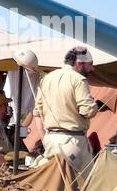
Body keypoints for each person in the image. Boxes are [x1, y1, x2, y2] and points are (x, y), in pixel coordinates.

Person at [30, 47, 102, 176]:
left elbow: (37, 113)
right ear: (79, 64)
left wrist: (45, 139)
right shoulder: (79, 80)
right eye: (90, 64)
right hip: (73, 141)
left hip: (51, 141)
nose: (92, 69)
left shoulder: (47, 79)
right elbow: (88, 111)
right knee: (84, 186)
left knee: (57, 183)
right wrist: (93, 104)